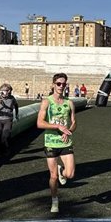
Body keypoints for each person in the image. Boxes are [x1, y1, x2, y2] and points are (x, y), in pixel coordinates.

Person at [37, 73, 77, 214]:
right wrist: (58, 127)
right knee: (53, 176)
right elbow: (39, 123)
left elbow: (73, 122)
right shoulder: (47, 102)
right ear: (53, 84)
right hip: (51, 142)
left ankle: (62, 171)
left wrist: (67, 131)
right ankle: (55, 201)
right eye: (58, 83)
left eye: (64, 84)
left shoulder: (69, 103)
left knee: (70, 174)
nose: (61, 86)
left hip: (65, 142)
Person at [0, 83, 19, 155]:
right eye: (4, 90)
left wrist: (16, 115)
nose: (6, 92)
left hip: (8, 119)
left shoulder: (12, 98)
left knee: (5, 135)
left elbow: (16, 106)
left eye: (7, 90)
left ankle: (6, 149)